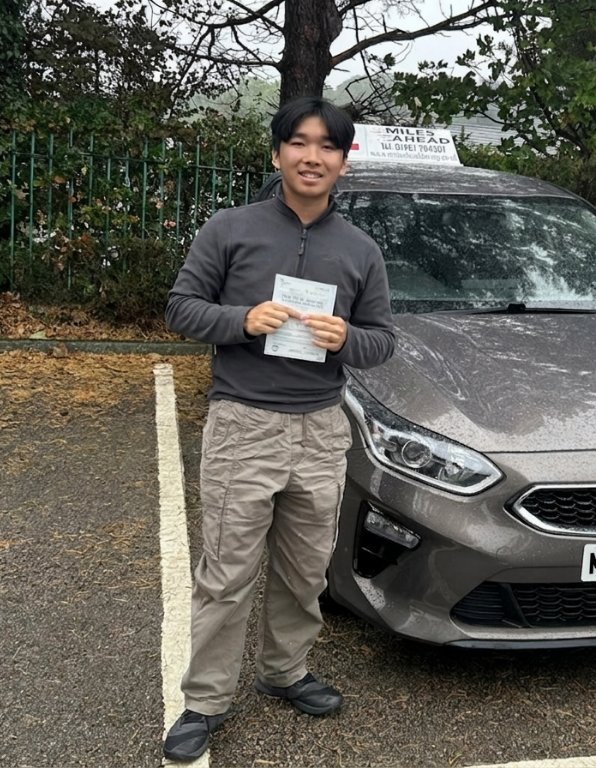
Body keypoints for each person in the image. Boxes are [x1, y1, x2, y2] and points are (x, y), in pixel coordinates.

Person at [162, 97, 395, 762]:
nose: (312, 155)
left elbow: (384, 340)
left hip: (321, 428)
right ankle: (205, 700)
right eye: (299, 142)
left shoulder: (360, 251)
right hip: (245, 424)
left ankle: (284, 671)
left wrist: (347, 336)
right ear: (276, 154)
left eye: (328, 146)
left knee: (304, 571)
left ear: (343, 161)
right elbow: (180, 308)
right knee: (227, 572)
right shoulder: (230, 230)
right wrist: (241, 321)